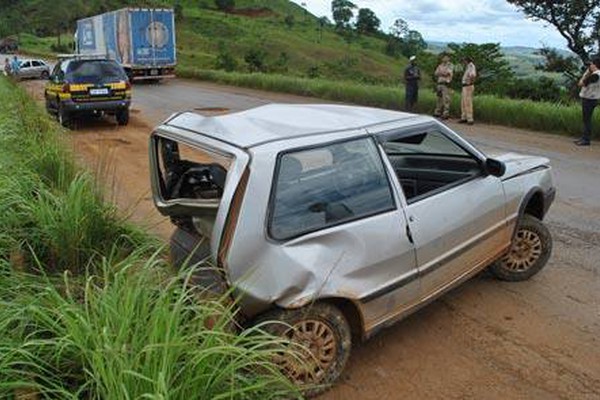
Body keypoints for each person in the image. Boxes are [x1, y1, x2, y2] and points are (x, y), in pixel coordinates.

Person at [575, 58, 600, 146]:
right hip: (593, 98)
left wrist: (586, 73)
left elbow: (581, 83)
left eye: (591, 64)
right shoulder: (597, 75)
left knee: (586, 120)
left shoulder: (595, 76)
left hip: (589, 99)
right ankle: (584, 138)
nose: (589, 66)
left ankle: (586, 139)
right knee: (586, 119)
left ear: (595, 65)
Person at [434, 54, 454, 119]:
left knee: (446, 99)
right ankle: (437, 112)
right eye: (443, 58)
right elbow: (436, 73)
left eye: (446, 57)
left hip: (446, 83)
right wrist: (442, 73)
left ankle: (446, 113)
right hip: (439, 83)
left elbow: (448, 73)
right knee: (439, 98)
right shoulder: (440, 65)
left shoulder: (450, 65)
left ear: (448, 58)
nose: (444, 59)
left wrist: (441, 73)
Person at [459, 57, 477, 125]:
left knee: (468, 102)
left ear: (467, 61)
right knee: (463, 102)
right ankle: (464, 117)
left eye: (464, 61)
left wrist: (470, 82)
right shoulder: (468, 67)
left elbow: (472, 75)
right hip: (465, 86)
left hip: (468, 86)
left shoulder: (471, 66)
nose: (463, 62)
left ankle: (470, 119)